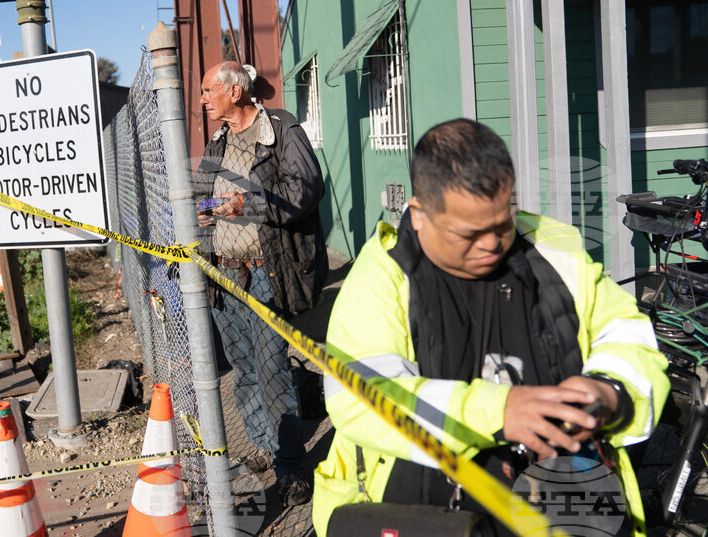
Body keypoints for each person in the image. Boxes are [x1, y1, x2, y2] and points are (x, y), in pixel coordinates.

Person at [312, 119, 669, 535]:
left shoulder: (555, 254)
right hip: (421, 515)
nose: (491, 244)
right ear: (419, 214)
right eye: (469, 232)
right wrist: (498, 411)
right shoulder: (382, 276)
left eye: (503, 223)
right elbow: (360, 396)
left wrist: (609, 391)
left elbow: (627, 334)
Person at [194, 61, 329, 507]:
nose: (203, 98)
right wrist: (200, 210)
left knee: (271, 371)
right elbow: (201, 192)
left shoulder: (281, 129)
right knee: (245, 372)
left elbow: (304, 190)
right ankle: (267, 447)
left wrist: (246, 202)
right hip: (223, 273)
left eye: (208, 89)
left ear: (235, 91)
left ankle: (291, 468)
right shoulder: (217, 140)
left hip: (267, 270)